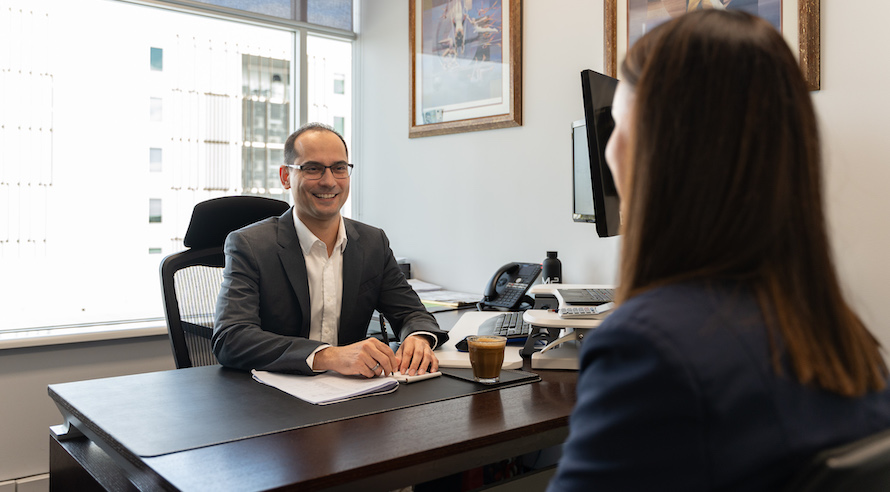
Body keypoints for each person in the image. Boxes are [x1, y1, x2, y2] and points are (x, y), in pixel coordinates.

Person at [548, 10, 890, 491]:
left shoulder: (648, 347)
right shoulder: (845, 339)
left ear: (662, 149)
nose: (607, 153)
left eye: (617, 125)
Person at [212, 123, 448, 378]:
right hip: (273, 398)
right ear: (285, 177)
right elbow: (231, 338)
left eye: (339, 168)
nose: (329, 181)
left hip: (352, 393)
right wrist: (327, 355)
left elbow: (411, 312)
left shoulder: (372, 242)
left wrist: (418, 338)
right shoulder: (250, 246)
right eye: (312, 169)